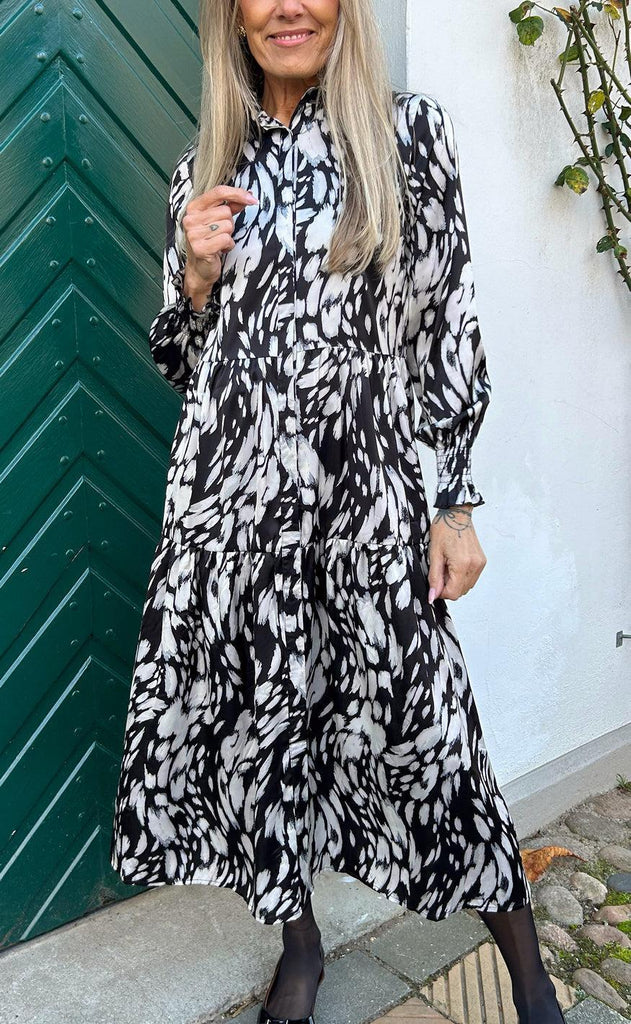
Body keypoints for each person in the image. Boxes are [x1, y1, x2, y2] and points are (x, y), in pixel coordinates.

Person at [109, 2, 565, 1023]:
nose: (288, 7)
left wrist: (454, 504)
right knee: (263, 732)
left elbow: (446, 327)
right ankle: (301, 945)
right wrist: (194, 275)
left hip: (365, 505)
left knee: (430, 736)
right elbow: (189, 363)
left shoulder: (406, 135)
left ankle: (530, 981)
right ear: (232, 17)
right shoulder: (201, 171)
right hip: (231, 513)